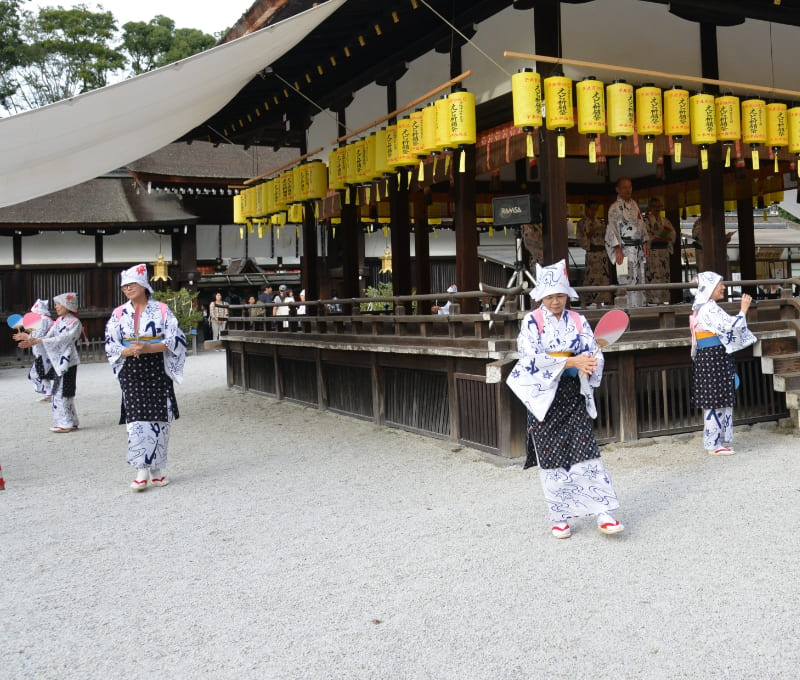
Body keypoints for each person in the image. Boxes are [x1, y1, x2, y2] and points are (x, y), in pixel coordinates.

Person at [506, 260, 624, 539]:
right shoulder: (531, 322)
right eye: (549, 296)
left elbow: (593, 349)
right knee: (552, 457)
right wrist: (571, 362)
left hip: (573, 394)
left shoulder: (578, 320)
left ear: (567, 295)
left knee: (587, 452)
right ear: (540, 297)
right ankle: (559, 516)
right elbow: (530, 359)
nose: (555, 301)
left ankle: (603, 512)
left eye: (560, 295)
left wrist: (590, 363)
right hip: (544, 397)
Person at [104, 264, 187, 491]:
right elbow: (110, 344)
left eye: (132, 284)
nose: (127, 288)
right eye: (124, 286)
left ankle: (157, 469)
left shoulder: (161, 310)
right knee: (137, 420)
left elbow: (177, 339)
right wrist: (127, 351)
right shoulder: (119, 314)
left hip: (157, 367)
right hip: (131, 369)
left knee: (160, 418)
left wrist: (150, 348)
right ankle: (141, 469)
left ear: (143, 285)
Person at [689, 271, 756, 456]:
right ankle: (713, 444)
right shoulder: (708, 308)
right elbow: (730, 326)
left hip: (712, 355)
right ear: (710, 288)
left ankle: (716, 441)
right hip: (713, 356)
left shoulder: (705, 307)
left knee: (716, 399)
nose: (723, 287)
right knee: (715, 400)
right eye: (720, 284)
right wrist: (743, 310)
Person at [14, 293, 82, 433]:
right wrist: (30, 339)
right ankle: (71, 420)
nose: (56, 307)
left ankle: (66, 422)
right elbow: (48, 336)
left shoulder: (74, 322)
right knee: (61, 391)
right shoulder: (58, 321)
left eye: (58, 304)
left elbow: (64, 338)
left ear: (66, 306)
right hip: (59, 362)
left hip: (67, 361)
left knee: (63, 392)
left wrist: (39, 340)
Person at [605, 177, 649, 308]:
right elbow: (611, 229)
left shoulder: (635, 204)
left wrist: (644, 241)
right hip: (624, 248)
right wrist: (617, 249)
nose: (628, 190)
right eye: (624, 187)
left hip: (637, 248)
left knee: (639, 278)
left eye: (629, 187)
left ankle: (639, 307)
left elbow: (641, 224)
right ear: (617, 189)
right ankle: (627, 309)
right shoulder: (614, 208)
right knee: (626, 278)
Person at [575, 200, 612, 306]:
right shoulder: (581, 223)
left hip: (602, 253)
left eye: (596, 210)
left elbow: (606, 238)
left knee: (604, 279)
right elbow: (581, 238)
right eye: (592, 209)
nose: (594, 212)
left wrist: (604, 233)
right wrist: (591, 232)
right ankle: (588, 301)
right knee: (591, 278)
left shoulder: (599, 221)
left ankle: (604, 301)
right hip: (592, 252)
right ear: (587, 208)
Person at [644, 197, 677, 304]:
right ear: (650, 208)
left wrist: (664, 238)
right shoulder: (646, 220)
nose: (657, 209)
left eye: (659, 206)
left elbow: (672, 234)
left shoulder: (665, 221)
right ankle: (653, 300)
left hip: (663, 253)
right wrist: (658, 238)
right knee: (654, 276)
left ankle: (663, 300)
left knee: (664, 276)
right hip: (652, 253)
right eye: (655, 206)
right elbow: (646, 235)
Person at [25, 299, 55, 401]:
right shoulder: (48, 319)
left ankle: (49, 392)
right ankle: (48, 392)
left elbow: (39, 334)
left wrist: (27, 337)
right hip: (43, 350)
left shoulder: (43, 320)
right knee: (39, 372)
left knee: (40, 372)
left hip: (42, 350)